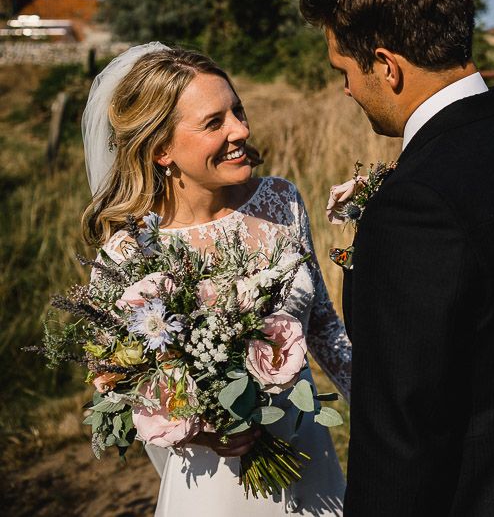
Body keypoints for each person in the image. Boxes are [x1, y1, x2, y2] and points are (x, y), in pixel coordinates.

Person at [300, 0, 494, 515]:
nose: (347, 89)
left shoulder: (416, 202)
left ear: (386, 65)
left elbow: (403, 434)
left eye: (346, 70)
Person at [80, 43, 350, 516]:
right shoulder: (130, 254)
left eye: (238, 111)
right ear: (161, 148)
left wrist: (387, 412)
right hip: (213, 480)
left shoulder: (279, 201)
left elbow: (324, 327)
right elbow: (113, 383)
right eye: (214, 122)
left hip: (308, 453)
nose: (240, 130)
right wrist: (210, 427)